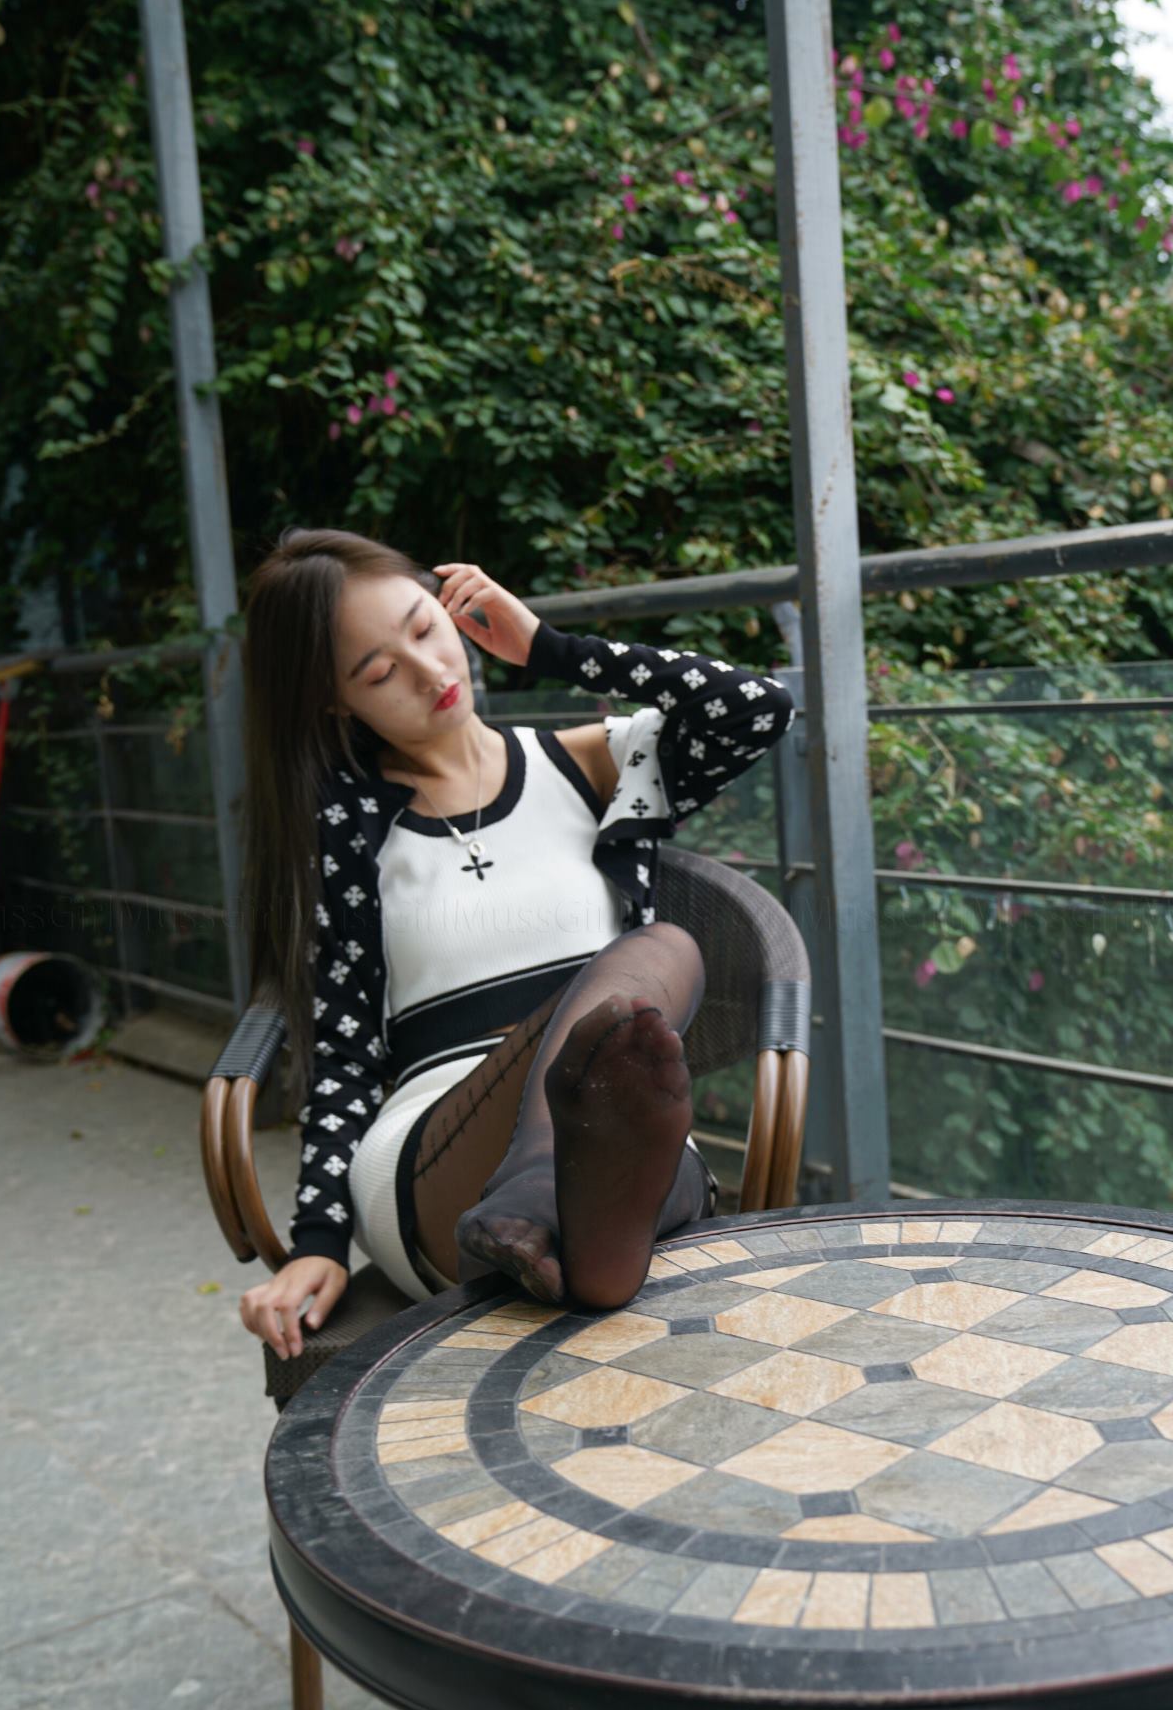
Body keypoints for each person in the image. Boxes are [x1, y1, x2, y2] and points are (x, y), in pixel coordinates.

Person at [236, 528, 795, 1362]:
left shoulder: (594, 765)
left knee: (664, 952)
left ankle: (571, 1243)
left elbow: (757, 706)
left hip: (609, 1138)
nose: (429, 672)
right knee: (628, 1012)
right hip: (440, 1155)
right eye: (380, 672)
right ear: (333, 702)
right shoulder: (342, 829)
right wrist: (318, 1240)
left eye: (425, 629)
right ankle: (548, 1205)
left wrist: (552, 649)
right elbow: (343, 1054)